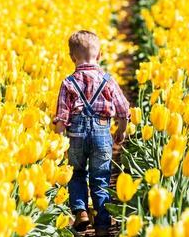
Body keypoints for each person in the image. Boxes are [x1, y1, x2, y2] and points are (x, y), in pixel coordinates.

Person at [54, 30, 130, 236]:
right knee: (100, 178)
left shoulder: (68, 82)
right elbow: (123, 110)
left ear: (72, 57)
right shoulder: (108, 80)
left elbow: (62, 117)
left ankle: (80, 212)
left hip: (76, 136)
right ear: (101, 55)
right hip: (102, 134)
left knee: (76, 174)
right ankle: (103, 225)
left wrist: (59, 143)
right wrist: (121, 131)